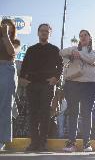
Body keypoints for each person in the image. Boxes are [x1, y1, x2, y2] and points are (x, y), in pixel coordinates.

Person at [20, 24, 63, 151]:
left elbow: (60, 66)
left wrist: (56, 78)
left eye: (46, 31)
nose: (44, 33)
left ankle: (43, 143)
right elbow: (24, 65)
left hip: (47, 85)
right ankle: (34, 142)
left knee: (45, 114)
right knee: (32, 114)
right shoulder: (31, 49)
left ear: (50, 34)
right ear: (38, 33)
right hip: (31, 85)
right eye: (42, 31)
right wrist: (22, 78)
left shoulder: (55, 49)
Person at [61, 30, 95, 152]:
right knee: (73, 113)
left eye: (85, 35)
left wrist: (80, 55)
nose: (82, 37)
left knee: (87, 114)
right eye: (81, 36)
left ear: (90, 38)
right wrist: (73, 52)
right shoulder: (73, 49)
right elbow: (60, 52)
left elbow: (93, 60)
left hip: (89, 86)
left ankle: (86, 143)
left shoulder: (94, 51)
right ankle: (71, 143)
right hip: (73, 84)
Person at [0, 19, 18, 151]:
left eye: (8, 24)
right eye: (3, 24)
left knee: (5, 106)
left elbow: (12, 52)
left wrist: (5, 35)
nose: (5, 26)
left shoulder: (16, 41)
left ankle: (2, 140)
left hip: (7, 69)